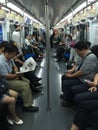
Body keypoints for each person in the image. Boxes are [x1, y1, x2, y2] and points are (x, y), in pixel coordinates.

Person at [0, 41, 39, 112]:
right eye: (13, 55)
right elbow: (6, 76)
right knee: (25, 85)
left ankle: (26, 99)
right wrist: (16, 75)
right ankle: (27, 106)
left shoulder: (9, 58)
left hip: (12, 76)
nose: (14, 57)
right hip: (5, 81)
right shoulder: (1, 62)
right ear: (7, 53)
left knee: (28, 81)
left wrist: (16, 72)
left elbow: (14, 66)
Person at [60, 41, 98, 107]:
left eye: (77, 51)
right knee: (64, 77)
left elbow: (82, 72)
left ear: (83, 50)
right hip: (80, 75)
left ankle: (68, 101)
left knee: (67, 83)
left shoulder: (91, 57)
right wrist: (71, 70)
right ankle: (66, 94)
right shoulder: (83, 55)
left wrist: (71, 76)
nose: (77, 53)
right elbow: (77, 63)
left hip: (85, 78)